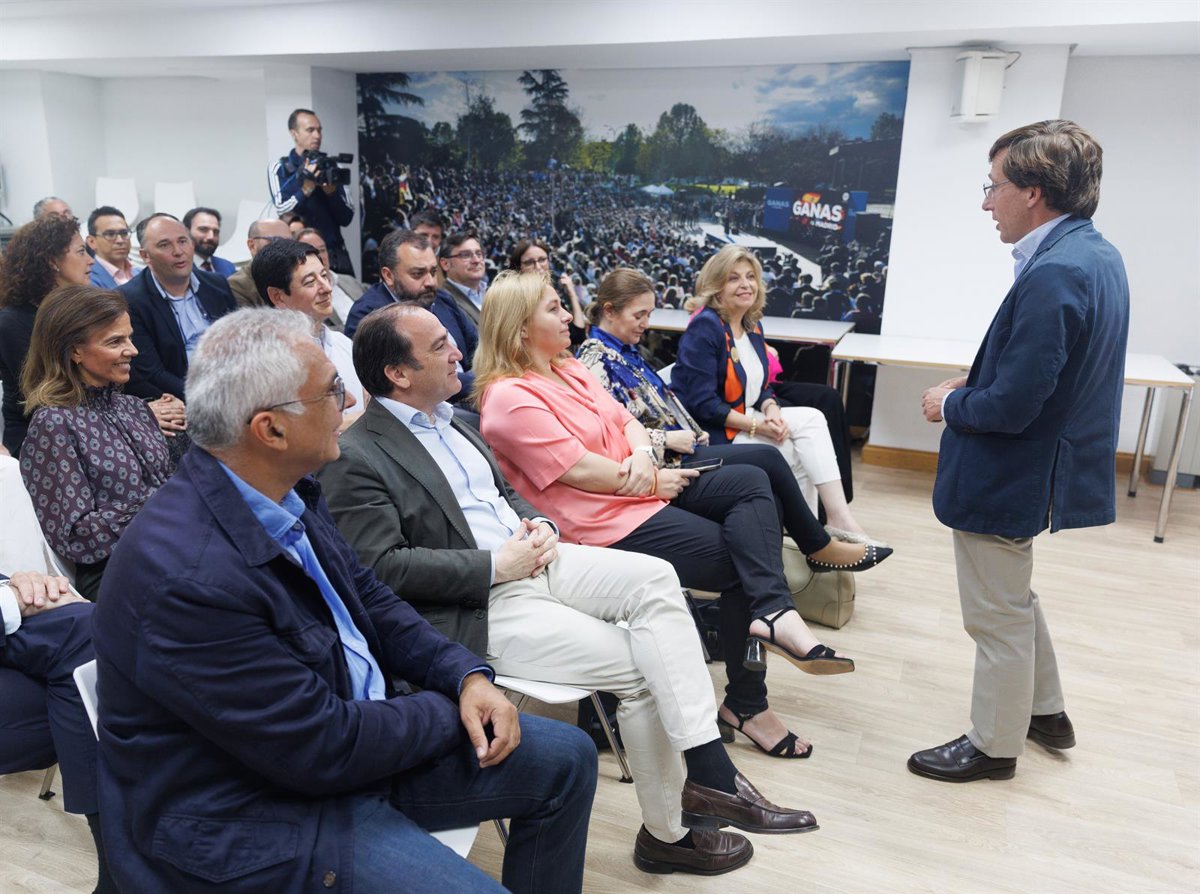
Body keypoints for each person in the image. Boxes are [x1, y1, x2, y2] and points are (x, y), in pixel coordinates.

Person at [92, 308, 598, 893]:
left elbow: (370, 596)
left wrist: (464, 676)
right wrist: (445, 709)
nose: (352, 403)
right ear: (270, 430)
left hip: (345, 751)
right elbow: (321, 748)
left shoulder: (286, 491)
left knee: (568, 758)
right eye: (333, 391)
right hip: (257, 816)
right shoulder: (190, 577)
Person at [320, 304, 820, 876]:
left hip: (538, 558)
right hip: (479, 601)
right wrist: (493, 565)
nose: (458, 351)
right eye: (439, 347)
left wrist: (541, 524)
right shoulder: (357, 455)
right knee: (643, 668)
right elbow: (381, 570)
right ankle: (672, 833)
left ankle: (708, 770)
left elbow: (504, 494)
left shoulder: (455, 420)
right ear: (398, 374)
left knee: (658, 577)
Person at [476, 272, 881, 758]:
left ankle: (774, 619)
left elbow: (627, 421)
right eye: (553, 308)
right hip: (600, 524)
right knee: (747, 558)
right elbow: (579, 470)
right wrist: (650, 477)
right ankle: (751, 696)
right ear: (521, 328)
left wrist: (642, 457)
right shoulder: (508, 397)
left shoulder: (566, 367)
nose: (568, 315)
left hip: (635, 494)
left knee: (754, 482)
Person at [909, 120, 1129, 782]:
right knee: (1012, 595)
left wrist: (950, 404)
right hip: (1039, 463)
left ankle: (993, 746)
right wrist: (977, 381)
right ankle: (1044, 710)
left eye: (993, 186)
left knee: (996, 614)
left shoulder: (1055, 271)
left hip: (1009, 469)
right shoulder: (1095, 254)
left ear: (1033, 192)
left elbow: (1012, 407)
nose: (987, 202)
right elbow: (1047, 372)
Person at [577, 267, 880, 575]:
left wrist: (694, 430)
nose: (646, 323)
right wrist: (667, 439)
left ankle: (817, 545)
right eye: (639, 315)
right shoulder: (596, 361)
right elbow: (608, 438)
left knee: (781, 452)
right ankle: (818, 546)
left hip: (682, 448)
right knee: (769, 461)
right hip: (665, 462)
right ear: (609, 311)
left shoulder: (625, 350)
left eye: (649, 314)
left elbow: (660, 406)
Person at [673, 245, 883, 546]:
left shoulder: (751, 324)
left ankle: (834, 521)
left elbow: (761, 387)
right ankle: (810, 538)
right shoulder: (705, 327)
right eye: (733, 278)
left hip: (748, 416)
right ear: (716, 286)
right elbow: (703, 404)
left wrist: (771, 409)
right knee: (792, 451)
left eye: (750, 277)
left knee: (813, 418)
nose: (745, 285)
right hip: (717, 431)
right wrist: (757, 426)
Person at [19, 286, 175, 598]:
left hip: (171, 542)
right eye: (115, 342)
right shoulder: (54, 423)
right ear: (74, 351)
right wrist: (164, 502)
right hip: (115, 569)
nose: (133, 350)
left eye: (129, 338)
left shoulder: (135, 408)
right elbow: (76, 536)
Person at [0, 214, 94, 455]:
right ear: (53, 261)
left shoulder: (79, 309)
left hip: (89, 422)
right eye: (81, 252)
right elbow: (49, 393)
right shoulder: (13, 322)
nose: (91, 260)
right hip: (40, 438)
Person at [345, 231, 477, 400]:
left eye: (433, 272)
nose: (430, 282)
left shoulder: (441, 298)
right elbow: (404, 384)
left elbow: (476, 349)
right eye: (417, 274)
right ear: (389, 276)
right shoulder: (370, 316)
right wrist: (483, 382)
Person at [119, 213, 237, 400]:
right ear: (145, 256)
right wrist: (206, 398)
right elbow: (153, 374)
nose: (178, 251)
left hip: (232, 385)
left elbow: (239, 345)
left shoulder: (217, 285)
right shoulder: (130, 300)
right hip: (185, 397)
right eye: (164, 245)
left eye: (183, 241)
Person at [251, 238, 365, 417]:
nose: (326, 288)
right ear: (278, 297)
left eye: (324, 276)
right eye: (310, 282)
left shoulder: (343, 343)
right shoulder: (267, 363)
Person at [269, 108, 356, 274]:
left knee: (348, 290)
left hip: (333, 255)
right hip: (298, 257)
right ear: (294, 133)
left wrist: (331, 193)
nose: (317, 135)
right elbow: (282, 209)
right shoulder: (280, 168)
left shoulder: (334, 167)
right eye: (310, 130)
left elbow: (347, 218)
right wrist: (305, 190)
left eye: (319, 130)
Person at [508, 238, 587, 337]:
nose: (538, 267)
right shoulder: (515, 301)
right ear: (518, 267)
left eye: (542, 260)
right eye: (529, 262)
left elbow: (577, 334)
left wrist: (572, 293)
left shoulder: (549, 293)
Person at [296, 226, 366, 329]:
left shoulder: (348, 280)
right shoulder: (305, 295)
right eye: (311, 253)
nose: (320, 257)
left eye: (322, 250)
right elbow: (318, 331)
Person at [226, 218, 292, 308]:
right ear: (252, 245)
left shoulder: (295, 276)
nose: (285, 247)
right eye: (275, 240)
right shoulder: (237, 285)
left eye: (289, 242)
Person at [439, 231, 488, 326]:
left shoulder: (493, 293)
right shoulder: (442, 302)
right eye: (465, 255)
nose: (476, 260)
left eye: (479, 254)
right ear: (445, 264)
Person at [86, 206, 140, 288]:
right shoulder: (88, 280)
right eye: (110, 234)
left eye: (124, 233)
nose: (120, 240)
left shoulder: (140, 273)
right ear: (92, 242)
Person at [183, 206, 236, 276]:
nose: (211, 237)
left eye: (216, 232)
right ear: (186, 231)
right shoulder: (178, 267)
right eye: (203, 229)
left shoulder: (227, 267)